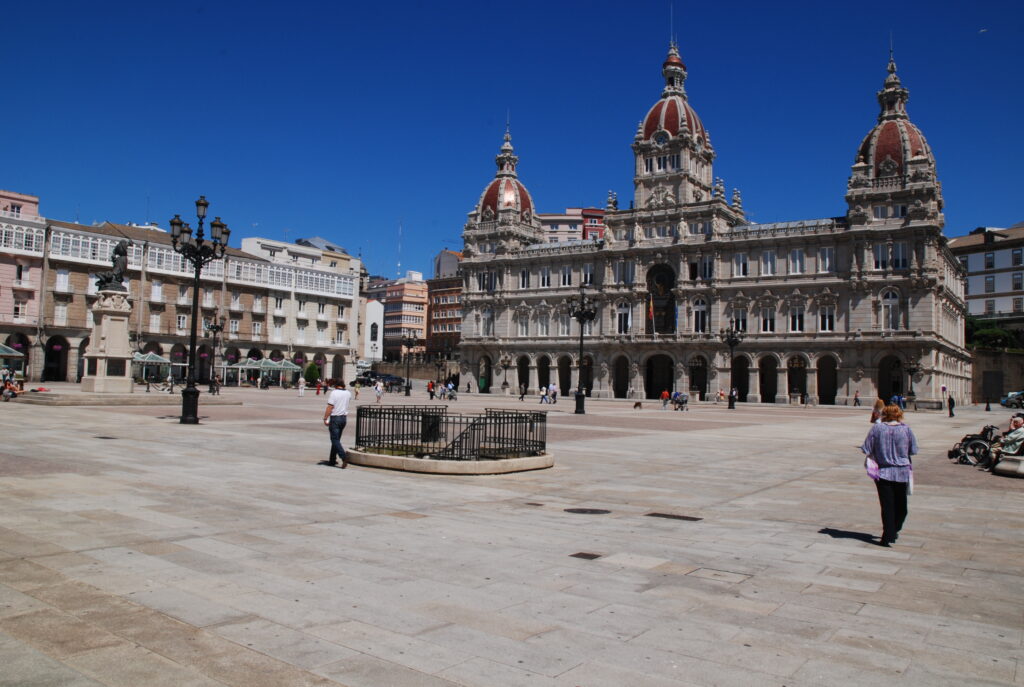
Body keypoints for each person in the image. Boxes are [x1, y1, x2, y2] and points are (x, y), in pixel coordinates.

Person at [861, 404, 917, 547]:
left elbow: (866, 447)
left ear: (884, 414)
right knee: (901, 507)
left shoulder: (877, 428)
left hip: (883, 472)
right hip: (901, 472)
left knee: (887, 505)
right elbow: (913, 450)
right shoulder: (906, 430)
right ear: (899, 414)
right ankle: (891, 532)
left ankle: (889, 533)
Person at [322, 380, 352, 468]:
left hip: (335, 418)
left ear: (336, 385)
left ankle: (344, 457)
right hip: (343, 418)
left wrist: (325, 418)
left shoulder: (334, 393)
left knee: (334, 439)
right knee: (336, 440)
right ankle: (332, 460)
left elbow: (330, 406)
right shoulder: (348, 393)